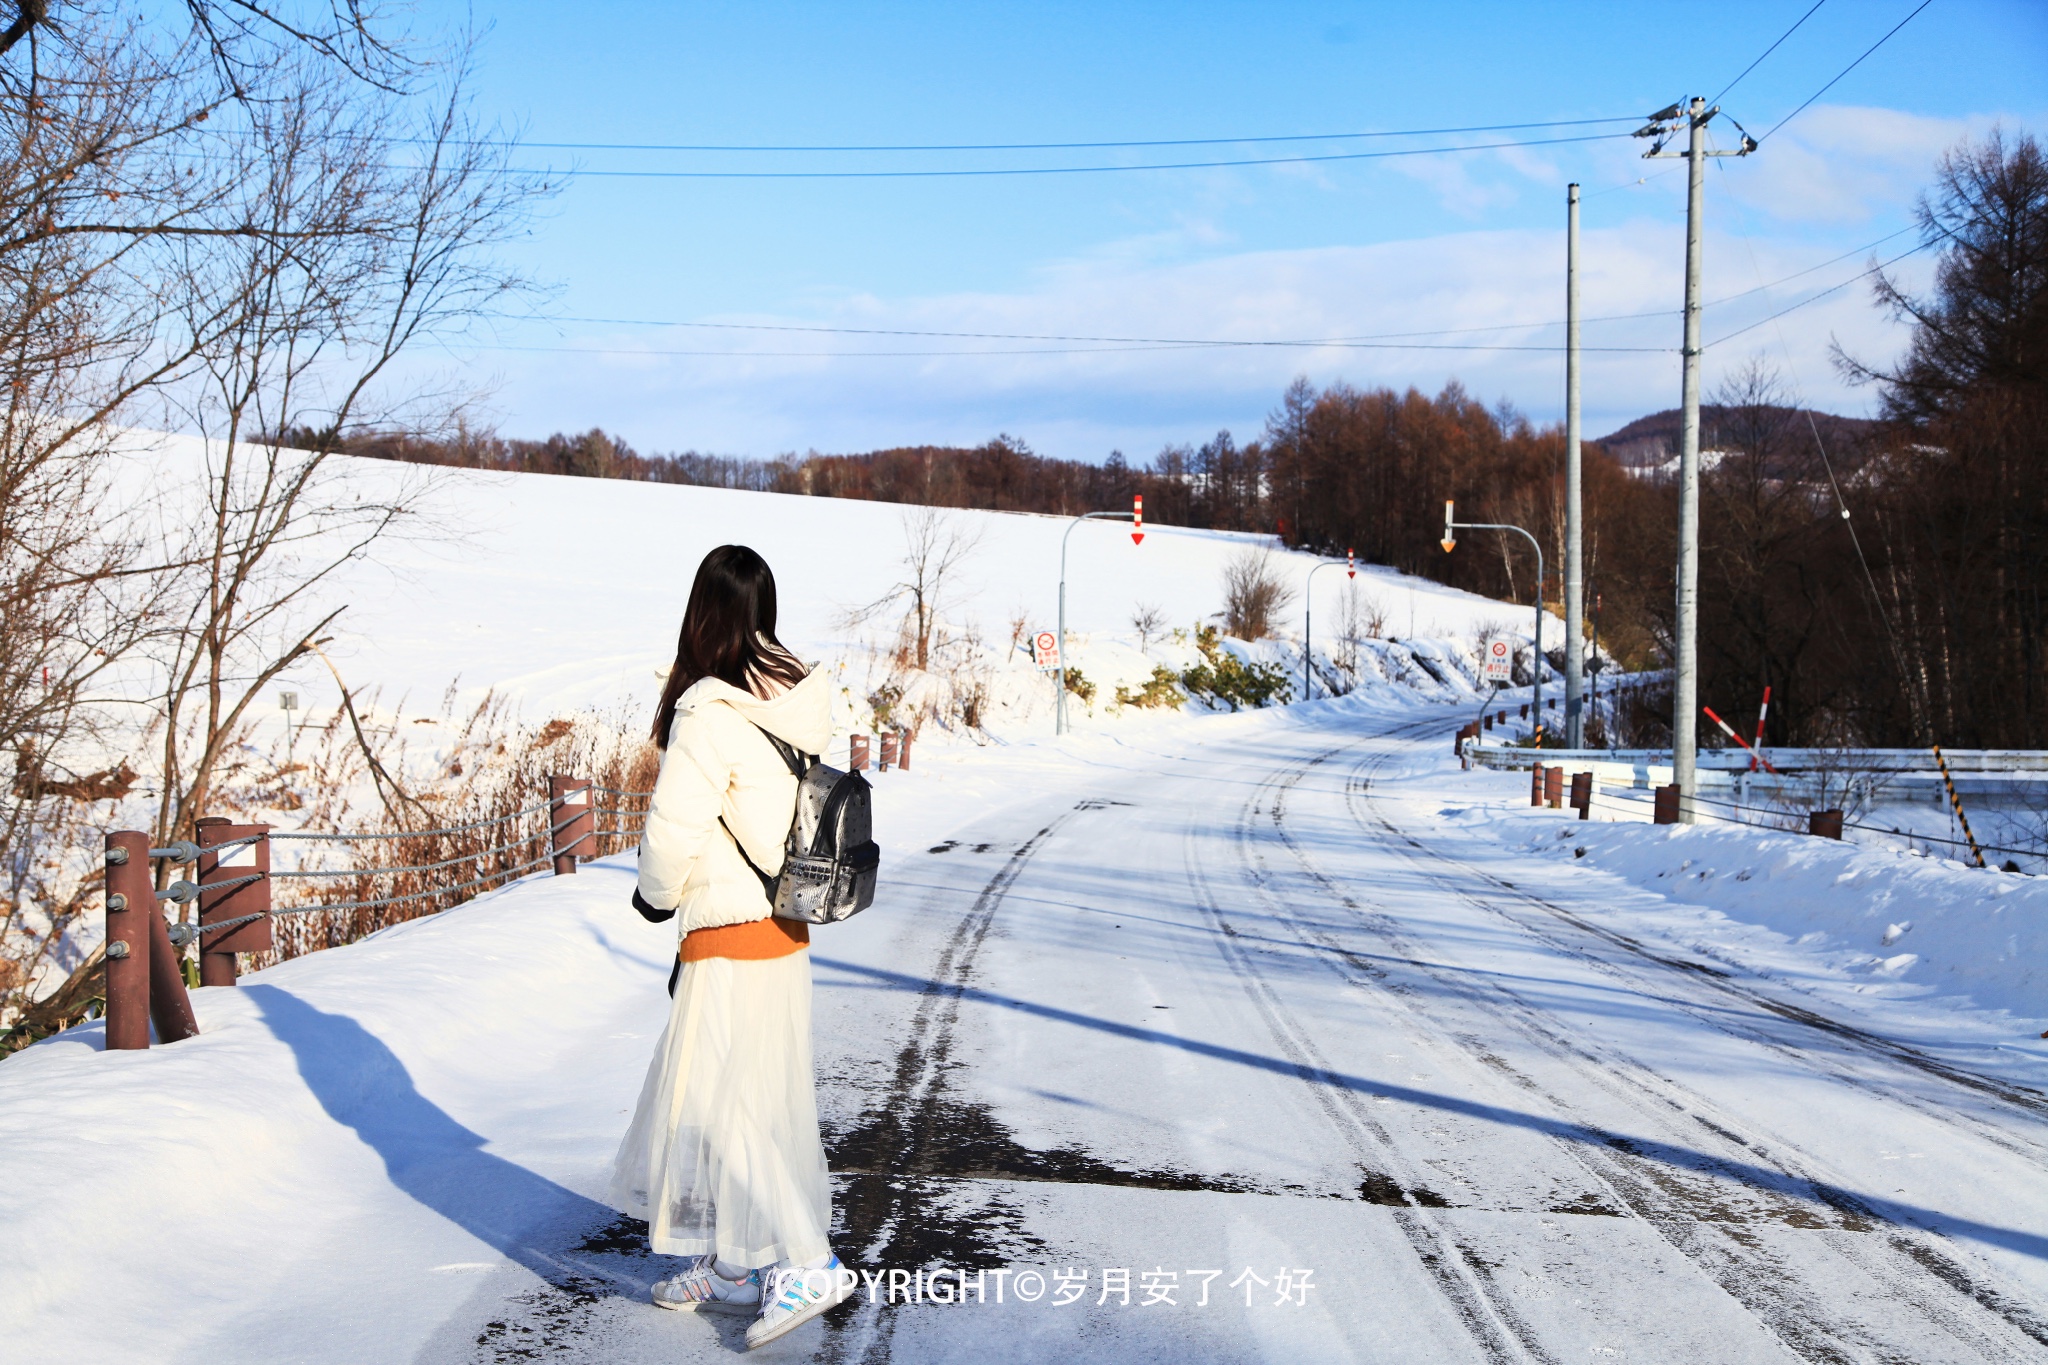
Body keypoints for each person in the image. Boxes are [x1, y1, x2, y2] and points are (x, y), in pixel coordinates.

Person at [608, 545, 855, 1350]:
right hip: (785, 930)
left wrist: (653, 896)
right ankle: (738, 1261)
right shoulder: (801, 702)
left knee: (724, 1105)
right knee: (764, 1100)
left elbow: (673, 826)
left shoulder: (710, 711)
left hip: (726, 932)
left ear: (703, 614)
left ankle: (806, 1259)